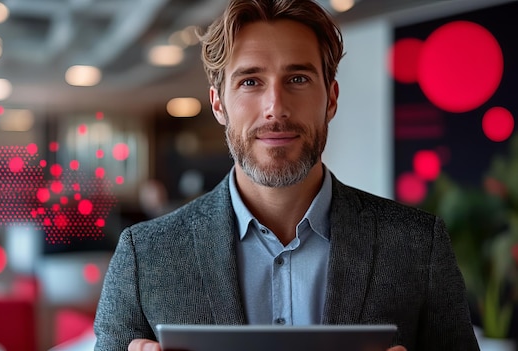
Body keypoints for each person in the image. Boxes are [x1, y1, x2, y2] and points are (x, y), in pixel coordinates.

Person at [94, 0, 480, 350]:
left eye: (297, 79)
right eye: (250, 81)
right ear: (218, 104)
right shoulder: (144, 255)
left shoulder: (417, 245)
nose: (275, 107)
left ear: (330, 99)